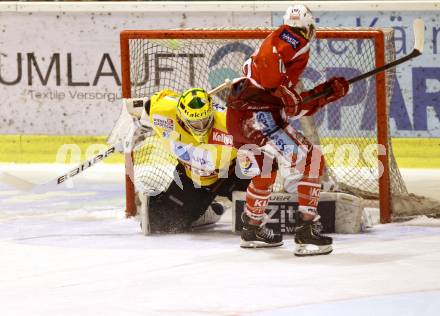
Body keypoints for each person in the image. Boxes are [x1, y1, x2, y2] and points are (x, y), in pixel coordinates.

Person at [226, 4, 349, 255]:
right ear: (308, 27)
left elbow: (291, 107)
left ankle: (251, 229)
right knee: (312, 161)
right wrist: (282, 89)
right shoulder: (292, 35)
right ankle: (307, 231)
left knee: (265, 169)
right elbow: (270, 65)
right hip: (259, 118)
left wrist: (323, 94)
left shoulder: (280, 60)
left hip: (241, 119)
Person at [137, 88, 250, 233]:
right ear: (182, 117)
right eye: (195, 123)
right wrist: (137, 122)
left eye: (205, 120)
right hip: (192, 178)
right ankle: (208, 211)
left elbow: (262, 141)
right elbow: (150, 103)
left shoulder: (230, 123)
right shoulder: (163, 111)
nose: (201, 127)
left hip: (230, 175)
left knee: (261, 202)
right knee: (164, 223)